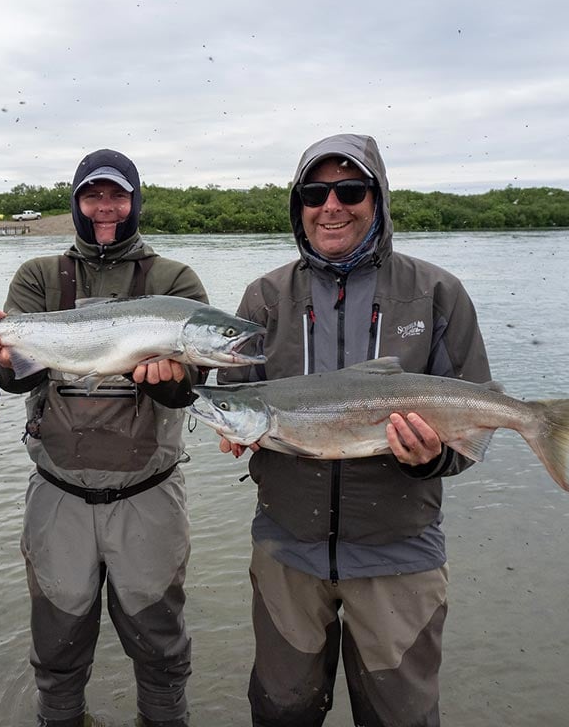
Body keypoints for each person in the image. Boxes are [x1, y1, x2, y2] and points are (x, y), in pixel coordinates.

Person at [217, 134, 491, 727]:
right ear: (299, 205)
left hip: (400, 555)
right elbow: (232, 394)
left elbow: (471, 433)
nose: (331, 205)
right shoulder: (264, 298)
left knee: (402, 717)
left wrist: (431, 459)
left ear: (378, 199)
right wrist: (233, 428)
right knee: (282, 711)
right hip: (287, 551)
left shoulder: (437, 293)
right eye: (315, 192)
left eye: (350, 189)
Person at [0, 149, 204, 727]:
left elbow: (195, 388)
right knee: (57, 647)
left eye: (118, 195)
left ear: (135, 202)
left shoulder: (173, 281)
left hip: (148, 492)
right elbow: (12, 379)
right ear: (76, 202)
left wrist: (174, 378)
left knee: (160, 647)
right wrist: (5, 359)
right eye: (93, 195)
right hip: (59, 494)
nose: (106, 207)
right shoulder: (38, 275)